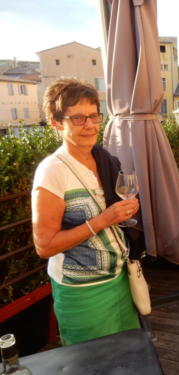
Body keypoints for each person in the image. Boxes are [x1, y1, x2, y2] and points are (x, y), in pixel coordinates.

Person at [31, 79, 141, 346]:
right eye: (78, 118)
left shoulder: (104, 159)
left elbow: (113, 212)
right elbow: (44, 246)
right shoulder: (52, 171)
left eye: (93, 115)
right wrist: (104, 220)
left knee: (126, 357)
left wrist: (125, 211)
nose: (90, 125)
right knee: (93, 364)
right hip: (82, 292)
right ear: (57, 123)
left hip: (118, 280)